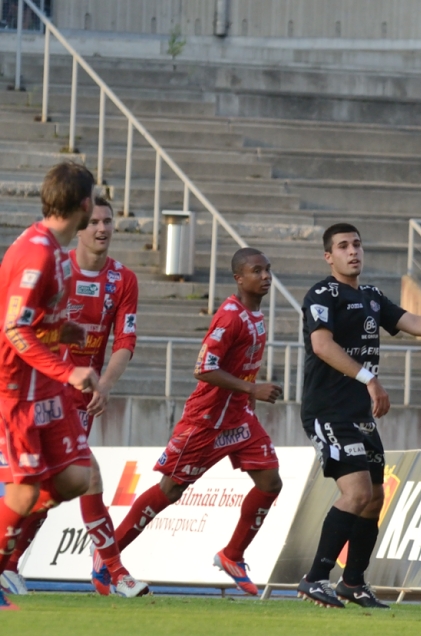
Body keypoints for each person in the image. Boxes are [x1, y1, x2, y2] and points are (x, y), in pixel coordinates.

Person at [297, 222, 421, 610]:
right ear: (328, 256)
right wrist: (370, 379)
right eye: (343, 246)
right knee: (357, 492)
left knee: (375, 497)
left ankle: (353, 582)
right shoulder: (322, 293)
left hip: (359, 413)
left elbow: (411, 322)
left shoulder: (371, 296)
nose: (353, 252)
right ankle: (314, 578)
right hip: (328, 410)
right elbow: (321, 345)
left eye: (357, 245)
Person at [109, 247, 284, 596]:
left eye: (268, 270)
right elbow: (203, 368)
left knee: (270, 481)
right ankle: (108, 555)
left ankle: (233, 554)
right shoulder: (230, 317)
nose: (265, 276)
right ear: (239, 278)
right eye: (256, 271)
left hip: (239, 418)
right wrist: (253, 388)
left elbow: (244, 363)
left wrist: (248, 397)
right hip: (205, 421)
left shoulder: (257, 315)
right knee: (171, 489)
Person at [1, 197, 149, 598]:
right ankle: (111, 570)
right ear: (80, 226)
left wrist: (104, 384)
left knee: (63, 483)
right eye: (95, 221)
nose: (102, 228)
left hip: (84, 389)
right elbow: (24, 326)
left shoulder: (123, 279)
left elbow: (126, 339)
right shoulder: (55, 263)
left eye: (108, 221)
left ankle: (11, 561)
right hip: (46, 386)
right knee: (83, 478)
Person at [0, 162, 101, 611]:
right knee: (23, 493)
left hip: (44, 386)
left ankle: (7, 543)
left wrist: (65, 331)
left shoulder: (56, 250)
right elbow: (14, 331)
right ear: (84, 205)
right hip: (17, 388)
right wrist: (68, 370)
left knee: (77, 477)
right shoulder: (37, 253)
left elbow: (38, 324)